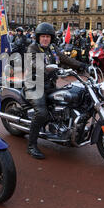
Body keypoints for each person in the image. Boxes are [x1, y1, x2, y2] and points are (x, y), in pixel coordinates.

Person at [24, 23, 88, 160]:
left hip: (49, 85)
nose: (45, 39)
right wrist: (47, 67)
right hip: (35, 85)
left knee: (67, 101)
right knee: (41, 113)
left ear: (51, 38)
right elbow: (34, 62)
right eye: (43, 37)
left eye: (48, 37)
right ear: (38, 37)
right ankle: (31, 146)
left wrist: (81, 65)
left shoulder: (53, 48)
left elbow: (64, 58)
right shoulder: (33, 48)